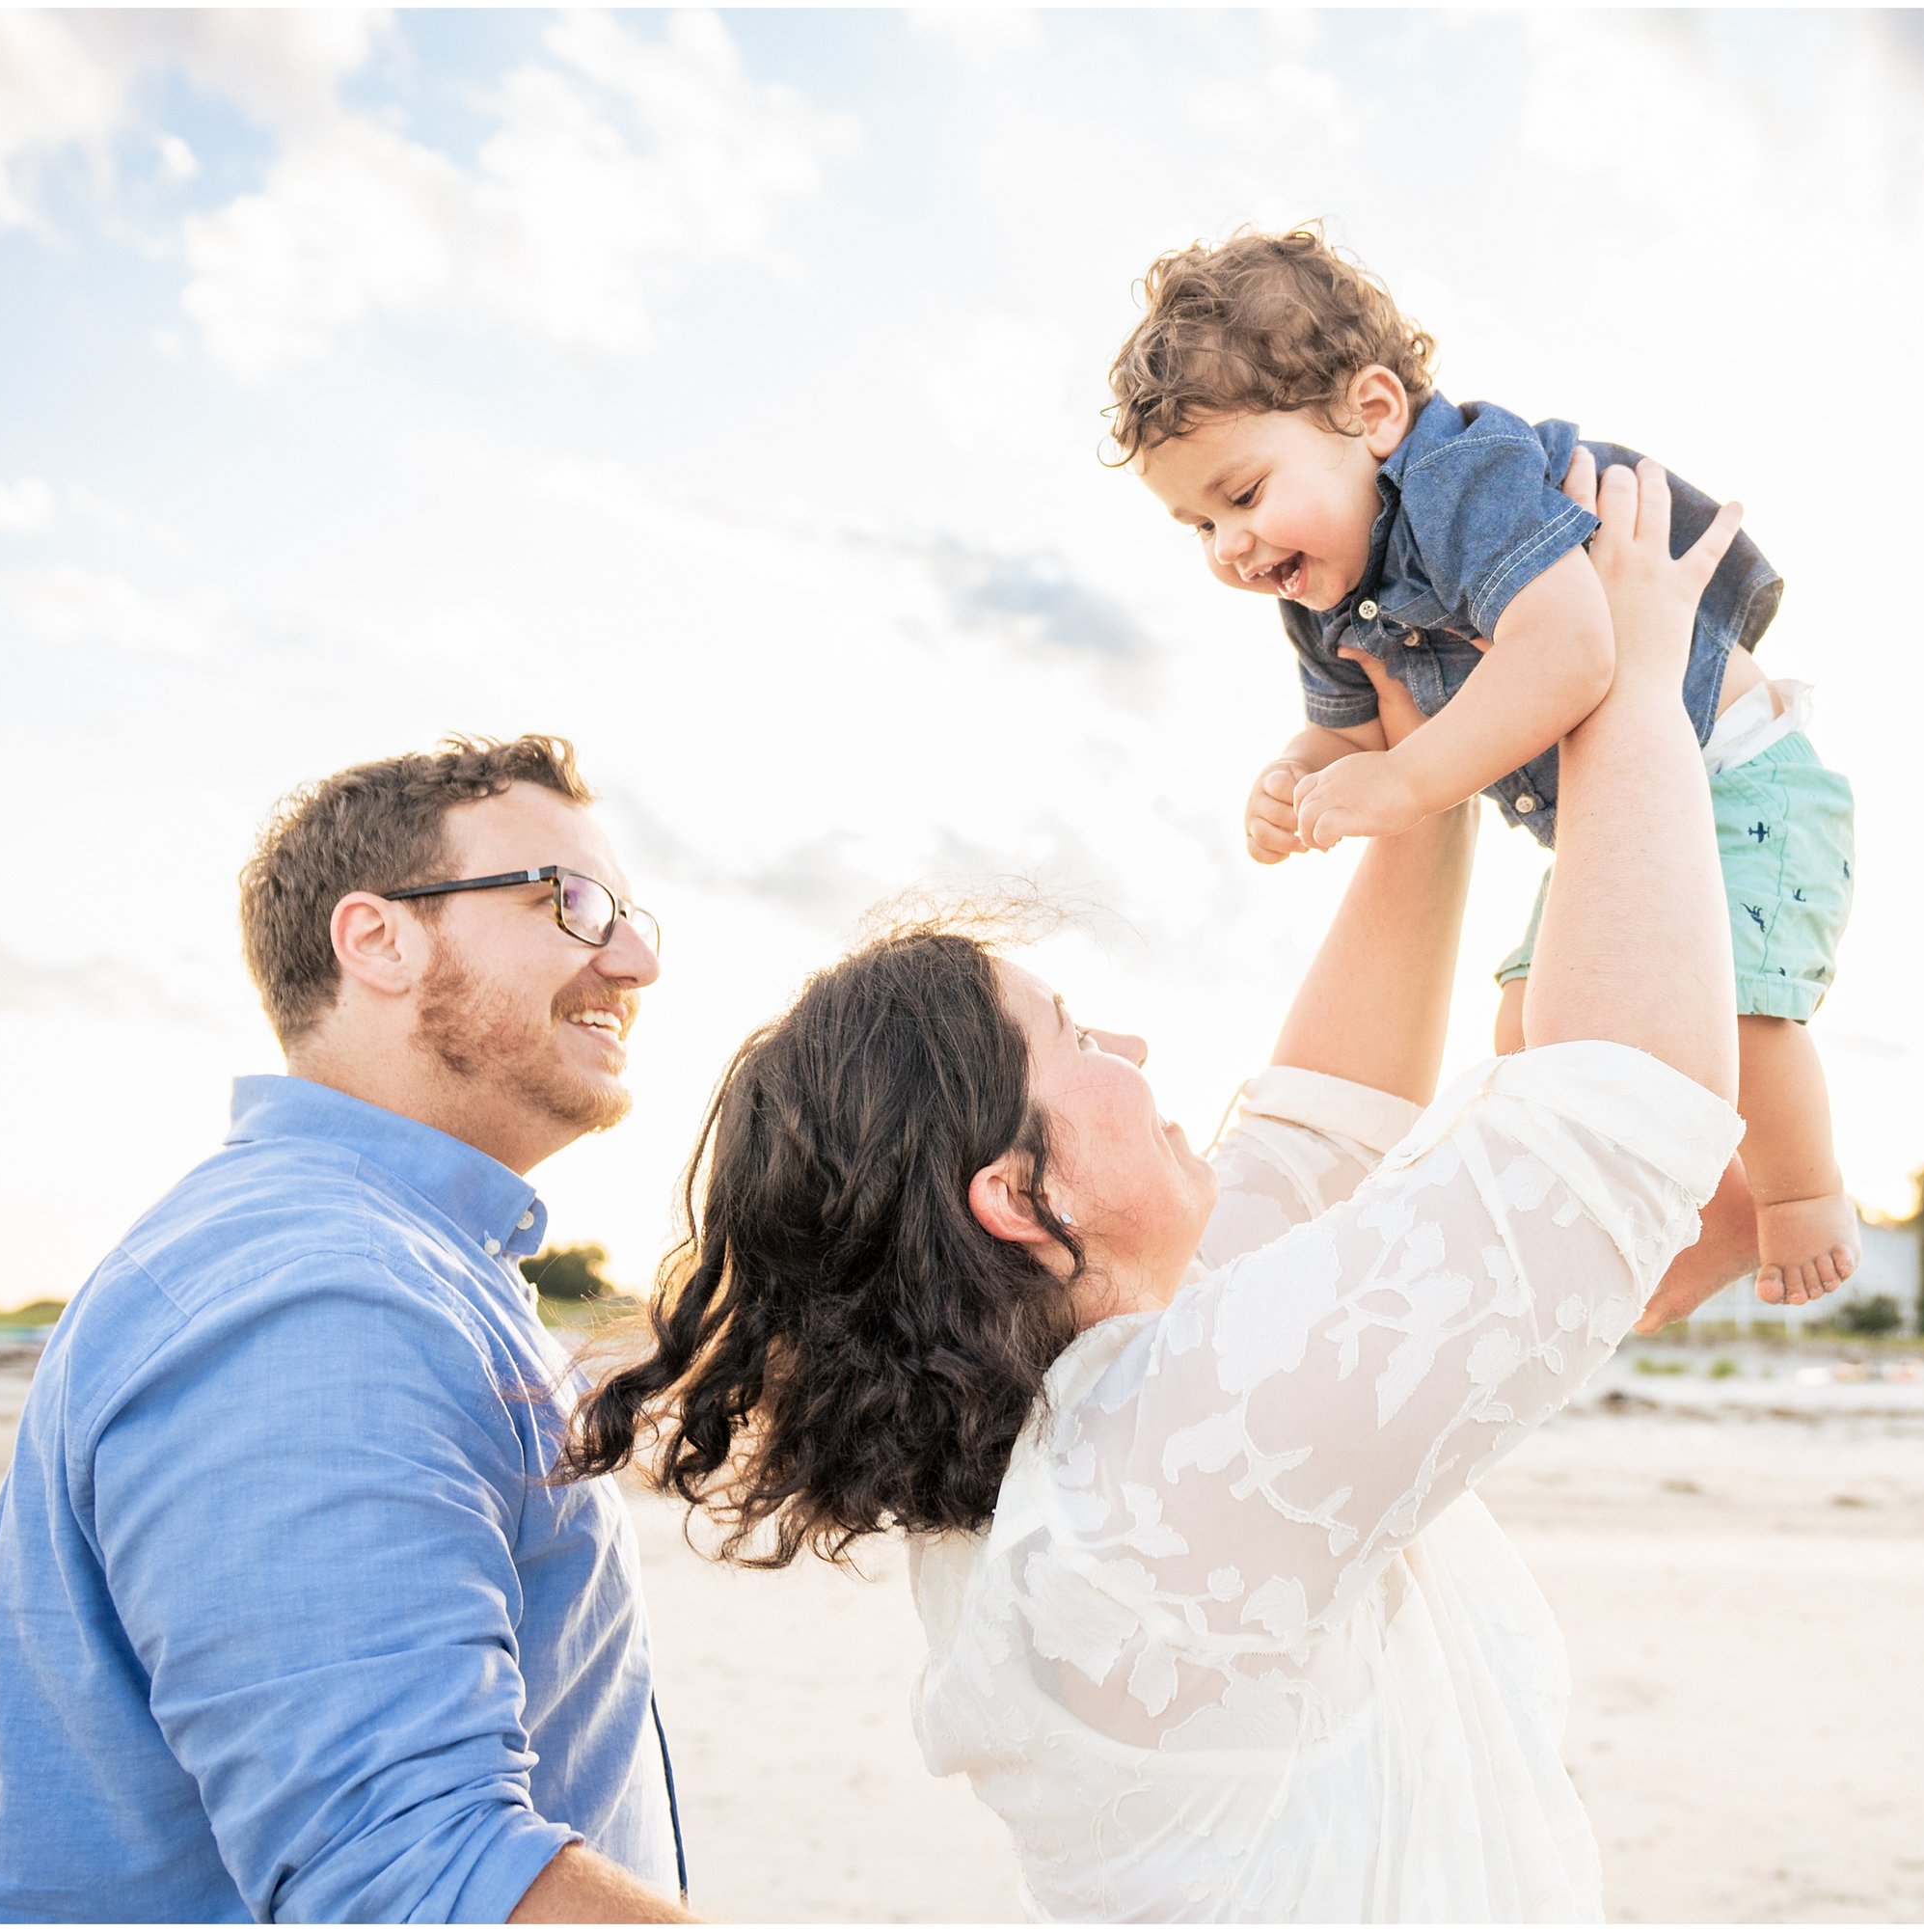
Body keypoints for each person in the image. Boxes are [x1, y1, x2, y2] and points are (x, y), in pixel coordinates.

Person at [560, 462, 1747, 1918]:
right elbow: (1620, 1116)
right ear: (1015, 1195)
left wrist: (1418, 785)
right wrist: (1633, 675)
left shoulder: (1073, 1428)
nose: (1128, 1043)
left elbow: (1317, 1137)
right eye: (1072, 1035)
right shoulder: (1151, 1478)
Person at [0, 735, 692, 1923]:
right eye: (576, 902)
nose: (637, 957)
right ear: (379, 939)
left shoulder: (408, 1266)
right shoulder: (322, 1297)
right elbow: (420, 1876)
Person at [1108, 226, 1857, 1313]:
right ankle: (1704, 1205)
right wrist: (1294, 773)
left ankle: (1795, 1199)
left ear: (1371, 413)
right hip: (1618, 809)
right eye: (1199, 524)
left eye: (1244, 490)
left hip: (1734, 772)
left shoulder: (1465, 476)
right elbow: (1357, 735)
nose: (1230, 542)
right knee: (1525, 1022)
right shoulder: (1317, 593)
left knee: (1740, 1001)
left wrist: (1408, 786)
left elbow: (1571, 646)